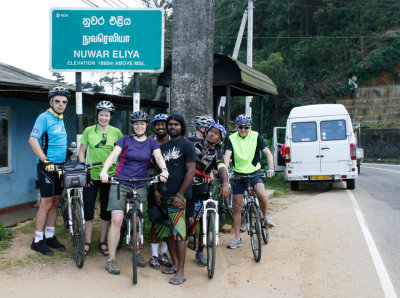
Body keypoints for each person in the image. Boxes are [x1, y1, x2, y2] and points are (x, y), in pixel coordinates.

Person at [99, 110, 169, 275]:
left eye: (142, 123)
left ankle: (136, 252)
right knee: (116, 220)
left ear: (146, 126)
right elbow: (113, 156)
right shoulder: (125, 140)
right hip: (120, 182)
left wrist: (164, 170)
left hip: (139, 184)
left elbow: (158, 158)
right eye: (136, 123)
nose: (139, 126)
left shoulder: (152, 143)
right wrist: (104, 171)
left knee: (137, 220)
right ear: (133, 125)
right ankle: (111, 260)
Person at [154, 114, 197, 285]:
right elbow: (157, 171)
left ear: (181, 126)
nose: (172, 127)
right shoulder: (162, 148)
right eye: (170, 124)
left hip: (179, 197)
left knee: (179, 234)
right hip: (163, 196)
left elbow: (191, 172)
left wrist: (180, 194)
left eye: (176, 124)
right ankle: (175, 263)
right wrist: (156, 191)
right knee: (167, 233)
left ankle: (181, 271)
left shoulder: (187, 145)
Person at [224, 114, 276, 250]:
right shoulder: (231, 138)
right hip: (238, 174)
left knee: (262, 195)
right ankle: (237, 237)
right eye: (240, 127)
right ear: (236, 126)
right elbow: (227, 156)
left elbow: (268, 153)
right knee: (237, 205)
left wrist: (271, 169)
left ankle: (265, 217)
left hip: (254, 173)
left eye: (246, 127)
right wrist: (226, 171)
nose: (243, 130)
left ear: (250, 127)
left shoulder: (255, 136)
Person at [28, 86, 70, 256]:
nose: (61, 104)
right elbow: (32, 140)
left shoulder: (60, 119)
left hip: (60, 166)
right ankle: (37, 240)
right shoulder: (44, 117)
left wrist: (66, 153)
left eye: (64, 102)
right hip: (47, 167)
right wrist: (45, 160)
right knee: (46, 203)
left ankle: (50, 236)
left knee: (55, 202)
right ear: (51, 102)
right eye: (57, 101)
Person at [77, 101, 123, 256]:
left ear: (110, 117)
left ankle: (102, 241)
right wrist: (84, 170)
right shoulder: (89, 130)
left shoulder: (116, 132)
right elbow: (81, 152)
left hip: (109, 177)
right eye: (101, 114)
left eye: (107, 115)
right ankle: (87, 240)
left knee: (105, 210)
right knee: (88, 209)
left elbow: (122, 153)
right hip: (91, 175)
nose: (103, 117)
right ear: (97, 116)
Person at [189, 122, 230, 266]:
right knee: (187, 217)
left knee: (204, 218)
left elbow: (222, 167)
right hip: (186, 185)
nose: (212, 134)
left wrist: (225, 183)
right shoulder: (192, 142)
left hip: (203, 186)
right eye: (211, 131)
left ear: (219, 139)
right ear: (206, 132)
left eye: (216, 133)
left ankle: (200, 250)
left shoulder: (217, 151)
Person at [147, 113, 170, 269]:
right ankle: (154, 254)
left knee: (170, 220)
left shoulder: (174, 141)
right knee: (156, 218)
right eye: (157, 124)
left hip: (171, 184)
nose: (160, 127)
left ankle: (164, 252)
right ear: (154, 127)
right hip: (153, 183)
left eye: (163, 124)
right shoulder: (149, 141)